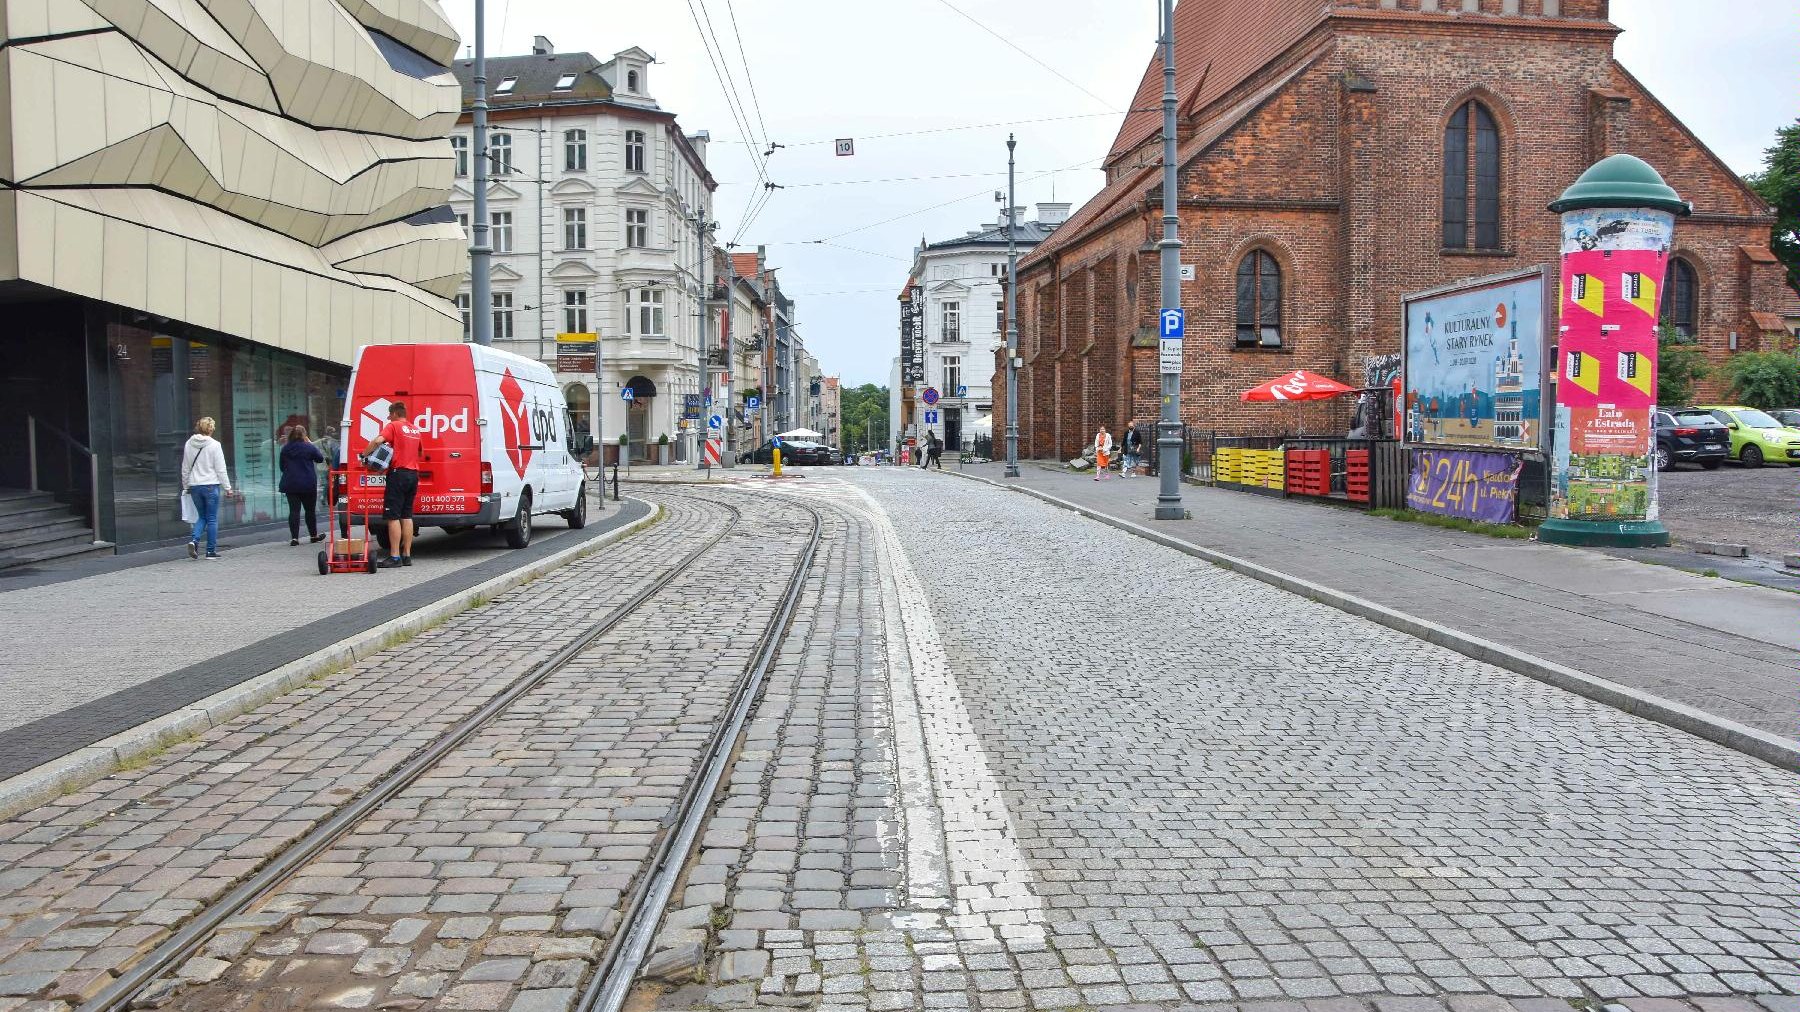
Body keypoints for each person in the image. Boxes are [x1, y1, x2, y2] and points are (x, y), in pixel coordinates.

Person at [363, 401, 422, 568]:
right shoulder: (415, 429)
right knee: (407, 515)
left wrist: (363, 454)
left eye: (389, 415)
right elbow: (420, 452)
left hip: (398, 474)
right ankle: (407, 555)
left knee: (393, 516)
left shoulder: (393, 426)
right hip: (413, 474)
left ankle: (395, 557)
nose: (388, 418)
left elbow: (377, 441)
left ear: (396, 413)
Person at [180, 417, 234, 560]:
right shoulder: (215, 445)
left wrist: (186, 486)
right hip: (210, 485)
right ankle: (210, 551)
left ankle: (194, 540)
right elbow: (221, 469)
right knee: (211, 519)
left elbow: (185, 468)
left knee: (201, 516)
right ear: (211, 429)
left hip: (195, 486)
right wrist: (228, 487)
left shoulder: (188, 444)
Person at [279, 425, 326, 546]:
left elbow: (282, 467)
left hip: (291, 483)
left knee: (294, 511)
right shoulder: (308, 447)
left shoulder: (285, 448)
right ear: (304, 435)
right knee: (309, 511)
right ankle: (313, 535)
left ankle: (294, 538)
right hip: (307, 484)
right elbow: (320, 459)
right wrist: (310, 443)